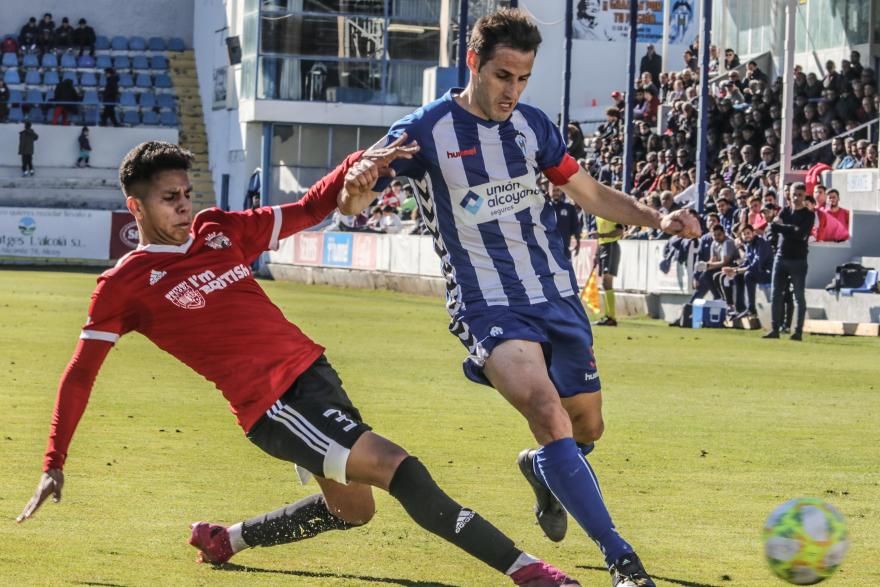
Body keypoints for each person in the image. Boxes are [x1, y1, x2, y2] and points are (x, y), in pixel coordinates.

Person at [16, 140, 582, 587]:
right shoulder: (124, 286)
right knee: (398, 468)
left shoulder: (219, 230)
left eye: (186, 192)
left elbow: (311, 206)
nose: (184, 204)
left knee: (353, 510)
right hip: (276, 406)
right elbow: (80, 374)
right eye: (169, 198)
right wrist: (53, 459)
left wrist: (364, 162)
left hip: (315, 378)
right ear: (135, 206)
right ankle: (524, 569)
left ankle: (226, 540)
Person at [346, 10, 699, 586]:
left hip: (556, 296)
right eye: (502, 75)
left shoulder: (534, 128)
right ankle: (622, 560)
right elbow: (355, 200)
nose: (512, 90)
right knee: (545, 410)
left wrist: (657, 216)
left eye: (523, 78)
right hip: (487, 303)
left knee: (587, 428)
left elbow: (587, 192)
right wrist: (354, 193)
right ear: (474, 64)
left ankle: (542, 470)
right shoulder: (424, 130)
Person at [763, 182, 814, 340]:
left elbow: (800, 234)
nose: (796, 198)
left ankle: (797, 331)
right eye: (794, 194)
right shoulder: (785, 211)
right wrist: (789, 228)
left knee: (798, 296)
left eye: (800, 195)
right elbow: (772, 228)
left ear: (805, 196)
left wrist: (783, 228)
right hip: (781, 256)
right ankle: (774, 329)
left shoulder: (809, 215)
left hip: (798, 259)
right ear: (789, 195)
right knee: (776, 294)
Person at [593, 213, 624, 327]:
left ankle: (611, 317)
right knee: (605, 284)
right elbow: (599, 237)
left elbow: (620, 231)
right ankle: (608, 316)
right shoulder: (597, 215)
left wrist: (601, 235)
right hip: (603, 247)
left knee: (607, 281)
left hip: (611, 246)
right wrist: (596, 254)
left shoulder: (611, 212)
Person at [549, 183, 581, 259]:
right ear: (549, 191)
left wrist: (578, 242)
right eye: (553, 190)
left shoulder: (569, 208)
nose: (556, 193)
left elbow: (575, 227)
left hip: (564, 250)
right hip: (549, 251)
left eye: (558, 190)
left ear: (562, 191)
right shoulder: (545, 208)